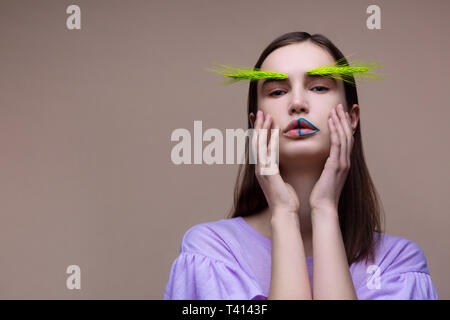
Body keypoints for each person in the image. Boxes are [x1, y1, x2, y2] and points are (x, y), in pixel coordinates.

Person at [163, 31, 438, 300]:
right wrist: (283, 213)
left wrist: (325, 210)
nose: (297, 104)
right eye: (278, 91)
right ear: (254, 123)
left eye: (319, 87)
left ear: (352, 118)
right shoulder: (210, 253)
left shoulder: (398, 266)